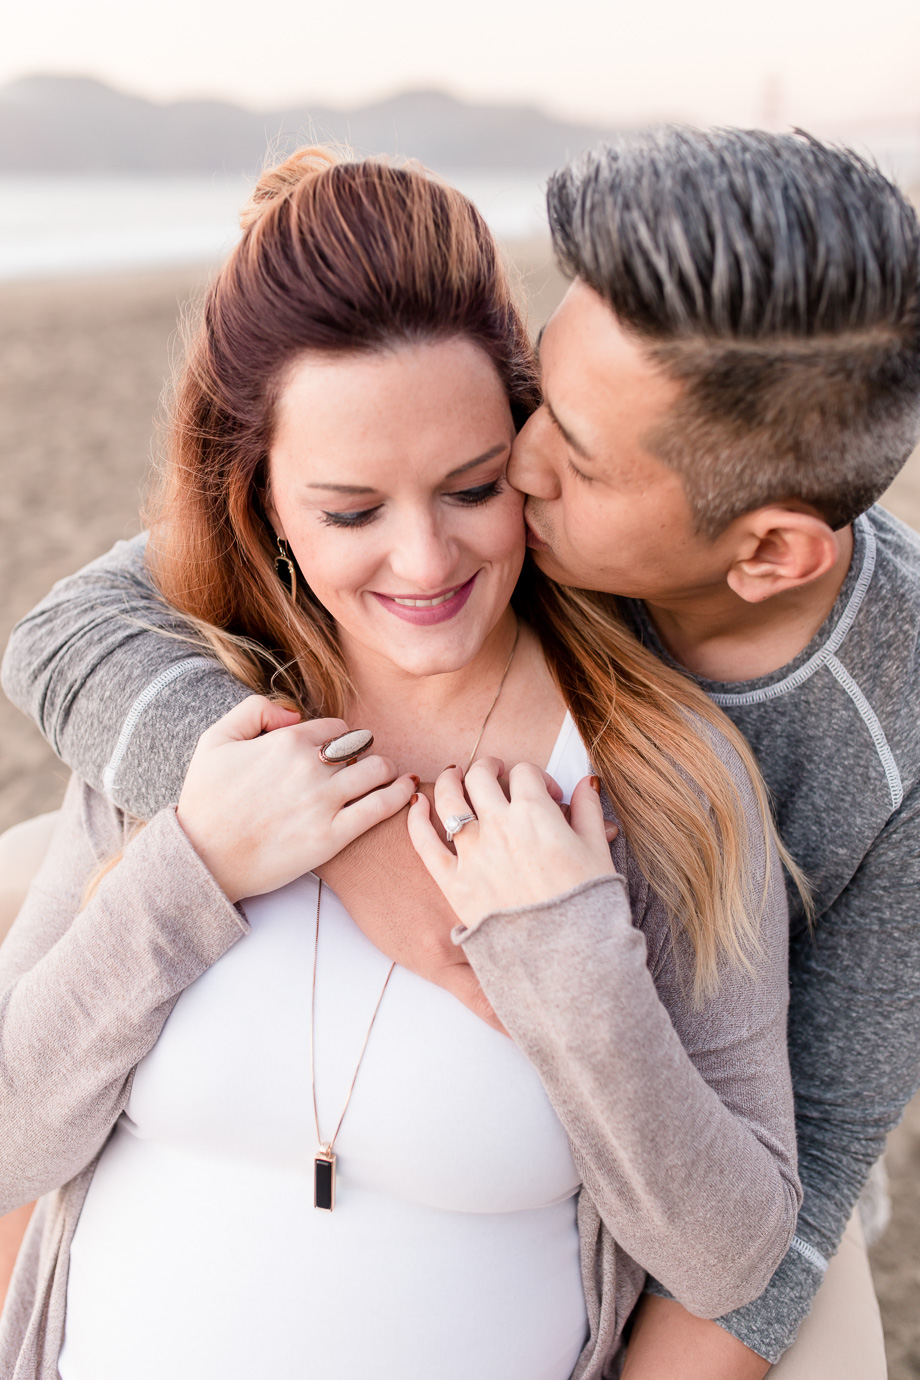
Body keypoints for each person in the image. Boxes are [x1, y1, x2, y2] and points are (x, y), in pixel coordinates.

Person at [5, 127, 918, 1378]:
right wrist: (203, 860)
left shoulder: (705, 775)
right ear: (263, 498)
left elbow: (770, 1223)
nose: (430, 560)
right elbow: (65, 630)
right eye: (348, 509)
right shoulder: (199, 694)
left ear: (762, 554)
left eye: (490, 480)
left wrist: (563, 952)